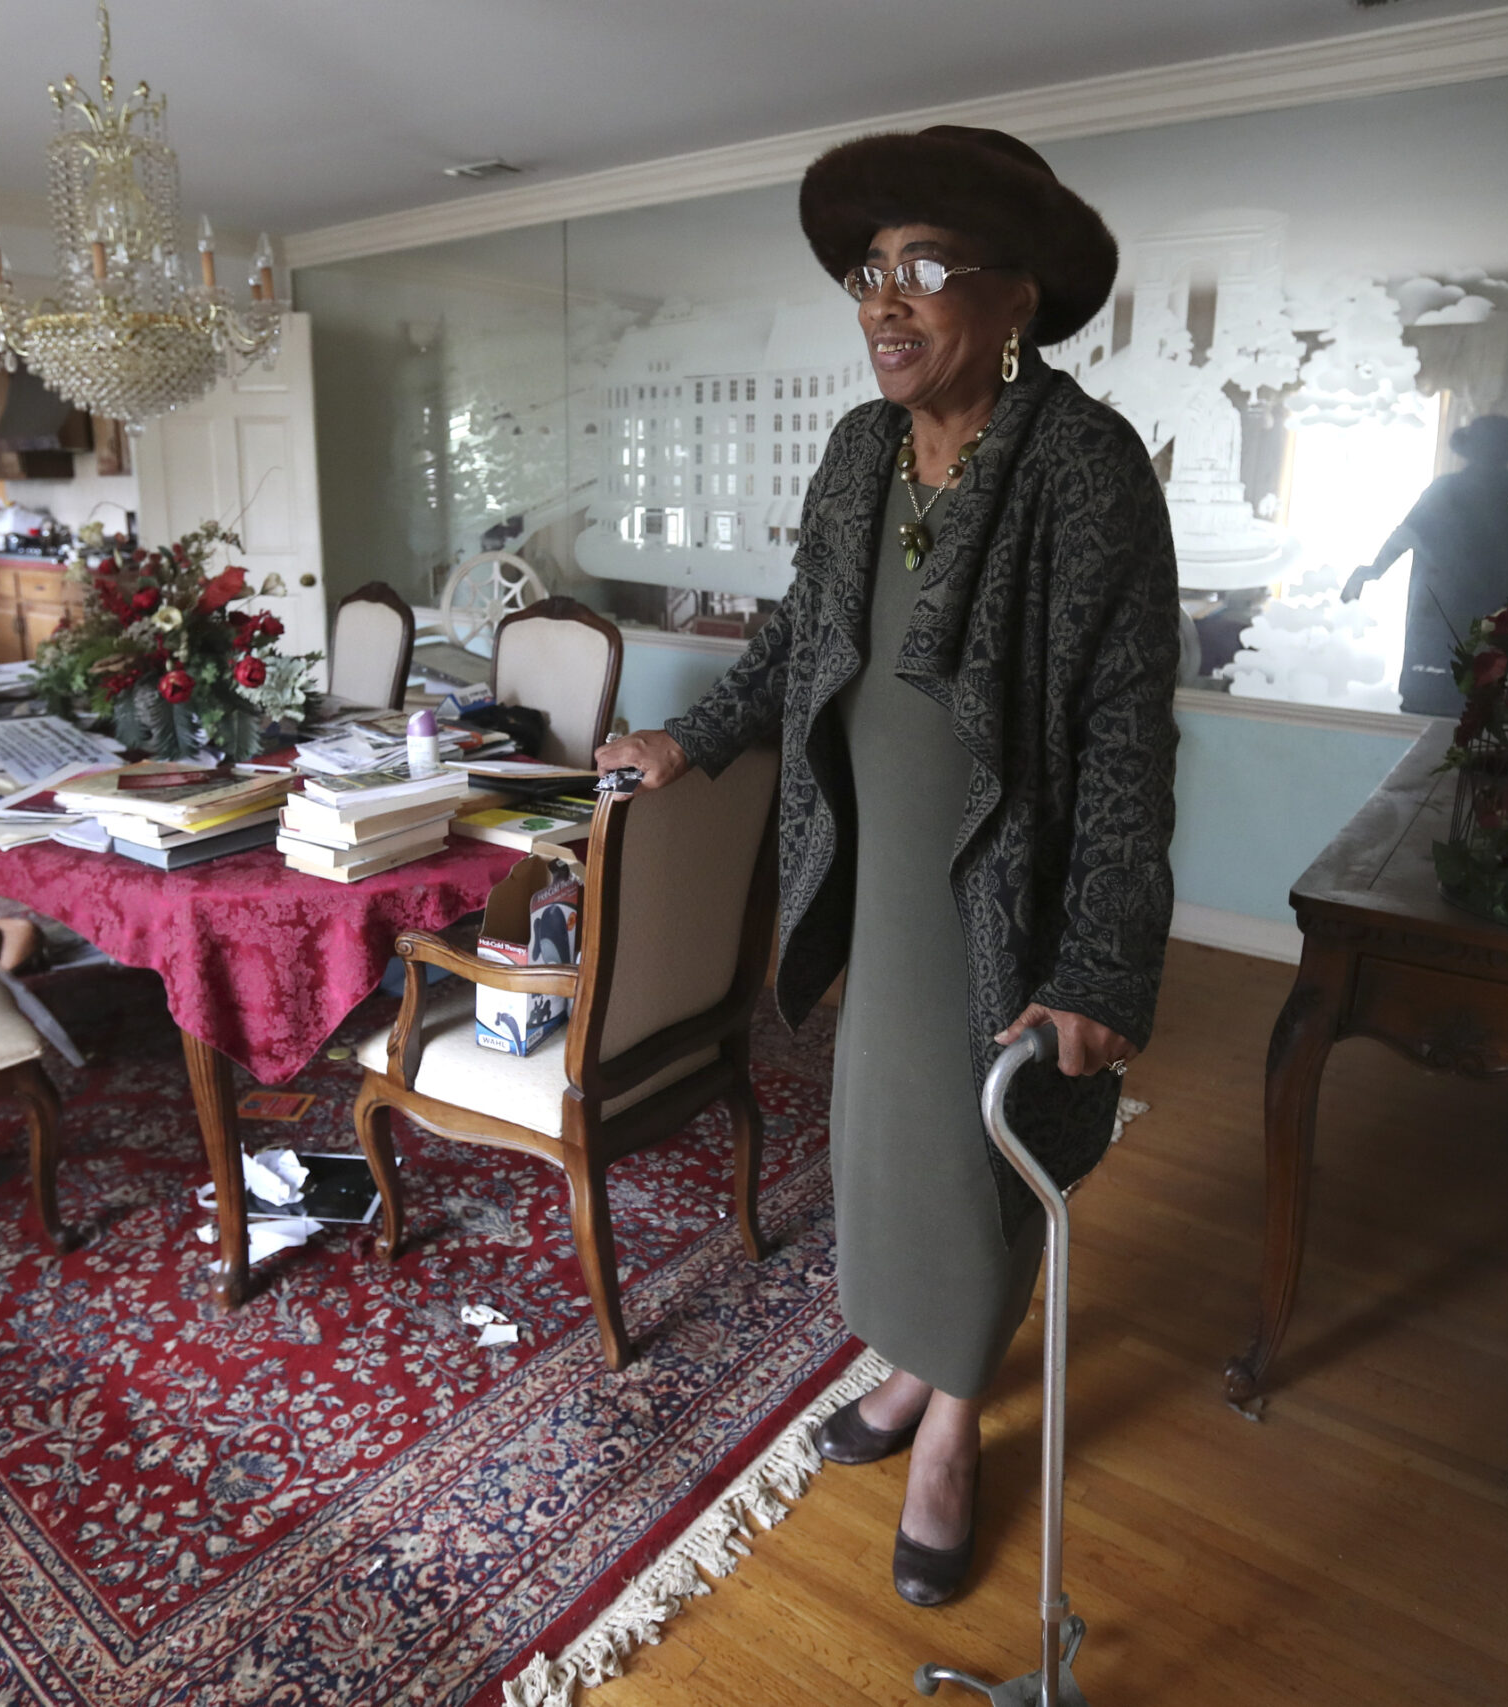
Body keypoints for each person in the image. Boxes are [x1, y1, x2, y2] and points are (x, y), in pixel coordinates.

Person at [595, 125, 1180, 1606]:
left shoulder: (1086, 467)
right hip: (865, 856)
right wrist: (698, 738)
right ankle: (925, 1362)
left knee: (986, 1146)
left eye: (924, 270)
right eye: (870, 273)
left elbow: (1124, 728)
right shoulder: (862, 451)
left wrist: (1103, 958)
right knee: (885, 1142)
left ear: (1016, 298)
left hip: (1005, 874)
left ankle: (952, 1428)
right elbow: (802, 630)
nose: (884, 302)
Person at [1341, 413, 1508, 716]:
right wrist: (1372, 571)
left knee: (1468, 710)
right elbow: (1406, 534)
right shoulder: (1501, 493)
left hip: (1479, 620)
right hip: (1448, 618)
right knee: (1450, 708)